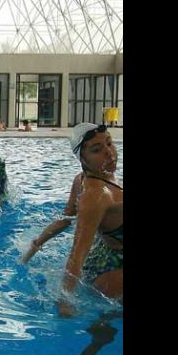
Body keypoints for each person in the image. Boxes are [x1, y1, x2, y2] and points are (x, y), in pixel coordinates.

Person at [58, 123, 122, 316]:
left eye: (109, 143)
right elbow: (76, 255)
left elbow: (65, 218)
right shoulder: (97, 194)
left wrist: (35, 245)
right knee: (106, 326)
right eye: (97, 150)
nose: (109, 153)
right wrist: (65, 302)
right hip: (116, 270)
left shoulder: (82, 180)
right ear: (82, 159)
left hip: (102, 256)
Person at [20, 172, 83, 263]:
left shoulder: (85, 182)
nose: (110, 157)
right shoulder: (80, 181)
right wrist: (35, 246)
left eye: (111, 155)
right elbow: (65, 220)